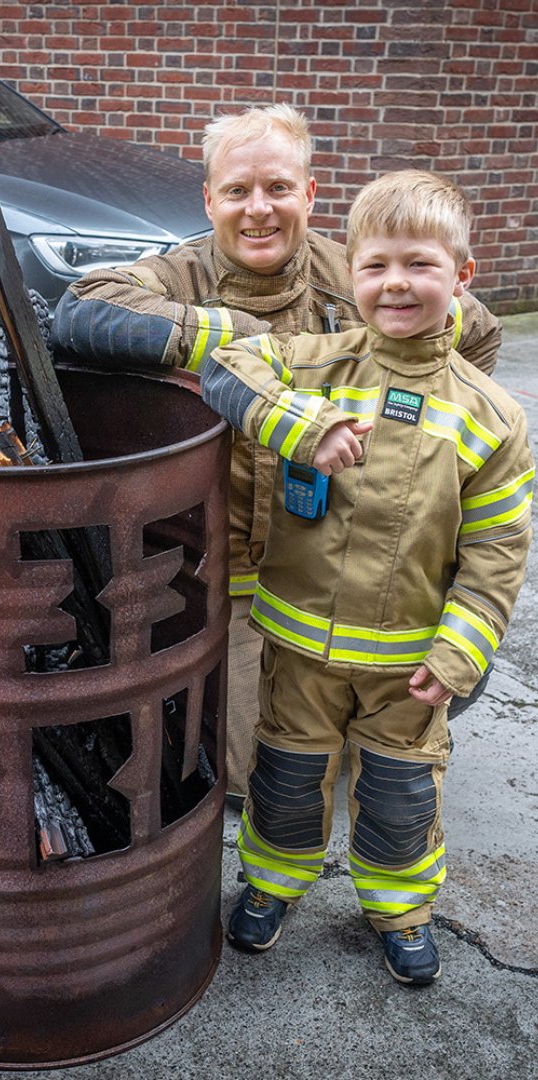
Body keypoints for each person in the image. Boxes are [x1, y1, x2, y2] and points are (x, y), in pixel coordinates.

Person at [51, 104, 503, 802]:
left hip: (339, 562)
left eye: (278, 188)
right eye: (237, 191)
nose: (258, 209)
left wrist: (408, 416)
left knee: (424, 688)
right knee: (251, 777)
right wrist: (226, 337)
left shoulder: (356, 273)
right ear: (209, 200)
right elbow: (82, 310)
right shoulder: (179, 276)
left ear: (311, 193)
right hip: (227, 579)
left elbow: (476, 332)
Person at [200, 169, 532, 984]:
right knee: (285, 777)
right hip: (300, 654)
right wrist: (299, 426)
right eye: (375, 265)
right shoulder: (311, 368)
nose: (396, 284)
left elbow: (497, 555)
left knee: (399, 794)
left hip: (408, 667)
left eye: (419, 264)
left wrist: (459, 654)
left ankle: (400, 909)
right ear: (349, 272)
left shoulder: (494, 417)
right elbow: (230, 367)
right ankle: (271, 886)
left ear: (462, 277)